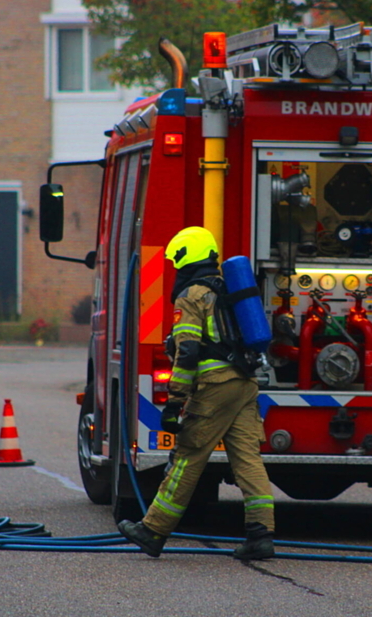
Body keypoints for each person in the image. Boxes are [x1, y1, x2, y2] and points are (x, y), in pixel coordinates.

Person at [118, 227, 276, 560]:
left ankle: (152, 530)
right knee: (248, 459)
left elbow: (187, 352)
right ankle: (261, 536)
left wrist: (175, 401)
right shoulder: (228, 290)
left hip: (216, 386)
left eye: (177, 261)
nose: (176, 269)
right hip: (245, 385)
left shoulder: (191, 296)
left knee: (187, 456)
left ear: (186, 256)